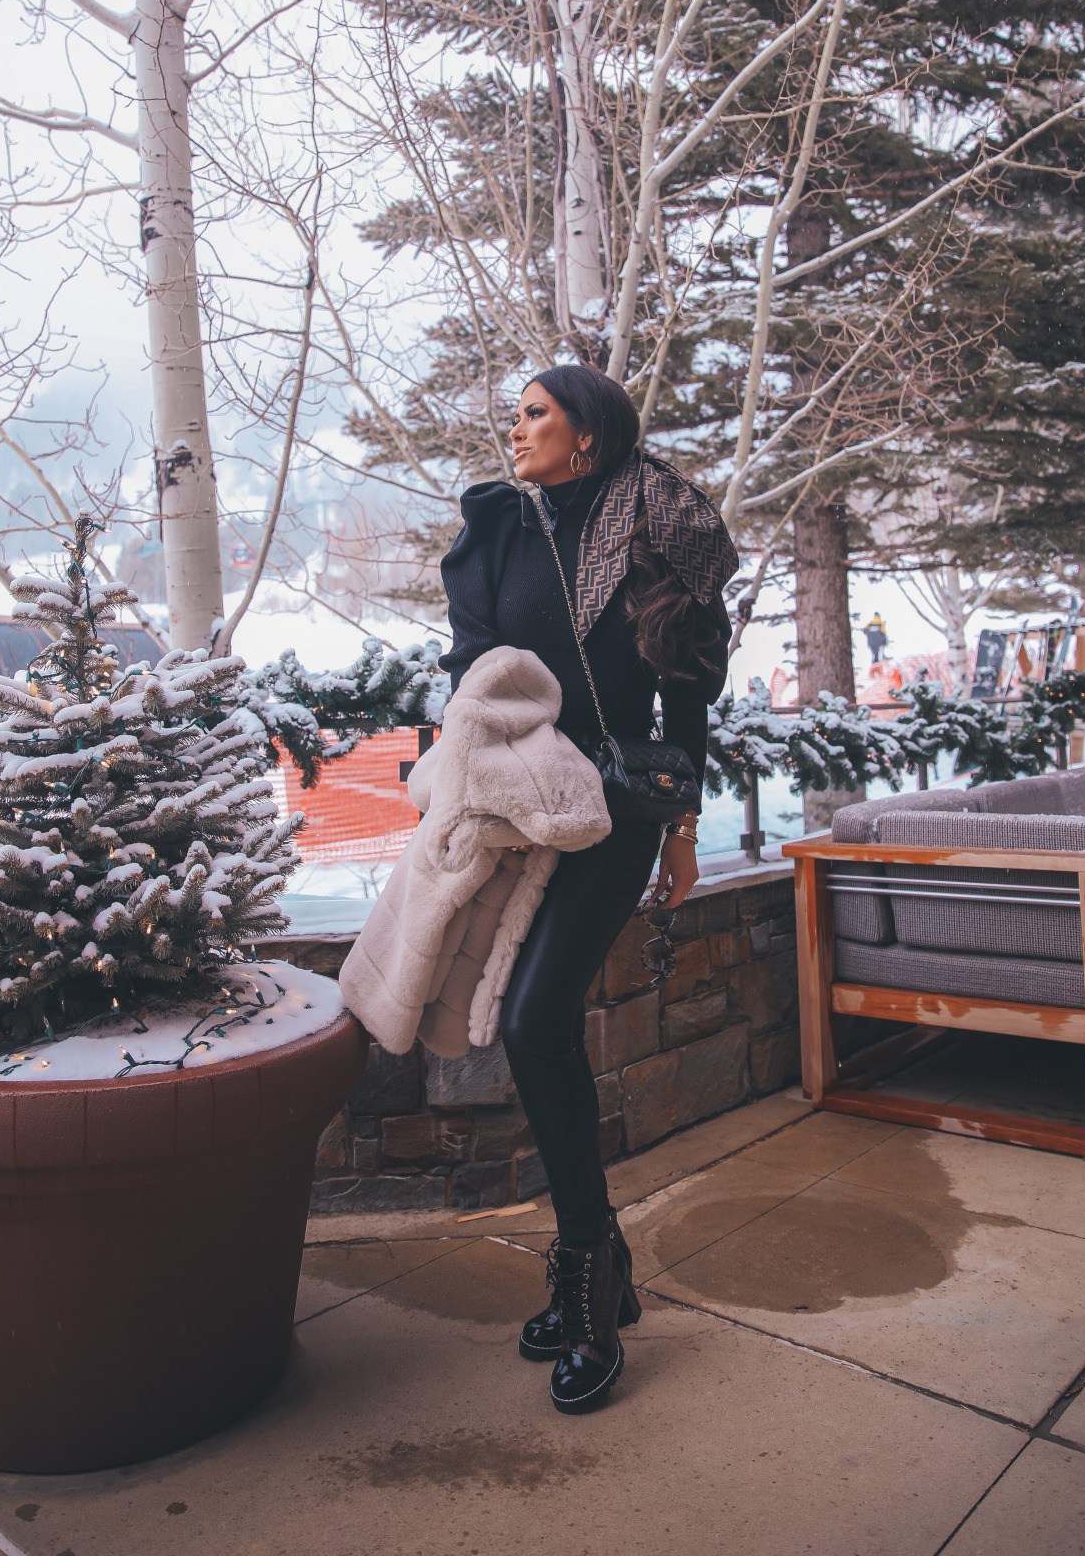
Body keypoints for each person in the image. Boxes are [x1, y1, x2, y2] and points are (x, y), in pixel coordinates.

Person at [440, 363, 736, 1414]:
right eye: (514, 411)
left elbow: (686, 692)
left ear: (587, 435)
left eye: (532, 413)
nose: (512, 428)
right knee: (533, 1025)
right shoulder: (510, 532)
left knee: (532, 1021)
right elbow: (477, 673)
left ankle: (587, 1286)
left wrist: (684, 831)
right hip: (530, 807)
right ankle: (598, 1253)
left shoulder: (652, 532)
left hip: (616, 809)